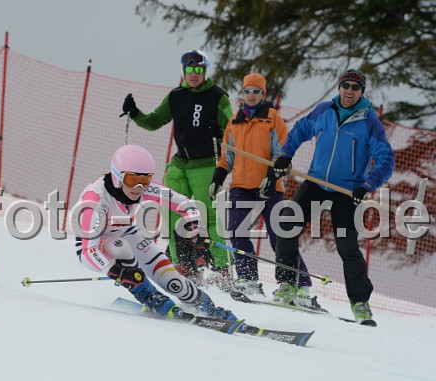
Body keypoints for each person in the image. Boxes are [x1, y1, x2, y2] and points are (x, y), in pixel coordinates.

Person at [271, 69, 394, 325]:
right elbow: (299, 130)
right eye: (346, 85)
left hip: (347, 191)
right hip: (316, 183)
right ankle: (287, 284)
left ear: (361, 92)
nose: (349, 91)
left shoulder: (369, 121)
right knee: (286, 224)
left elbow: (385, 159)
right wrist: (285, 155)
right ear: (339, 87)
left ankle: (360, 303)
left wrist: (368, 185)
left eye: (355, 87)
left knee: (347, 247)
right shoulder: (324, 110)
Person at [74, 144, 237, 320]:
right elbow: (88, 250)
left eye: (145, 180)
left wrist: (194, 226)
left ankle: (204, 305)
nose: (138, 187)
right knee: (120, 249)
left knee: (171, 278)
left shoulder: (142, 189)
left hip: (126, 231)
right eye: (131, 180)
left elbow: (184, 204)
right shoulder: (96, 200)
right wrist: (112, 269)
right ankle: (150, 296)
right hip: (95, 246)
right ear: (116, 177)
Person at [121, 50, 234, 284]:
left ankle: (221, 268)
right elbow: (154, 121)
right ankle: (182, 263)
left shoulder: (217, 96)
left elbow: (233, 134)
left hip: (206, 165)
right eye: (189, 70)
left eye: (198, 69)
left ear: (205, 71)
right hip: (180, 164)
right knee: (171, 211)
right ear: (183, 71)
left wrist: (220, 132)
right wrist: (135, 113)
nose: (193, 74)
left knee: (208, 214)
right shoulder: (176, 95)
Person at [209, 73, 317, 307]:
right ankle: (248, 279)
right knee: (237, 231)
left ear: (263, 94)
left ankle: (300, 284)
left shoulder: (272, 119)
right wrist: (218, 177)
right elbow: (227, 156)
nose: (251, 95)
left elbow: (282, 152)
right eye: (247, 91)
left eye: (256, 91)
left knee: (279, 236)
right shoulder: (234, 122)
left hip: (268, 187)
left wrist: (271, 176)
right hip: (241, 186)